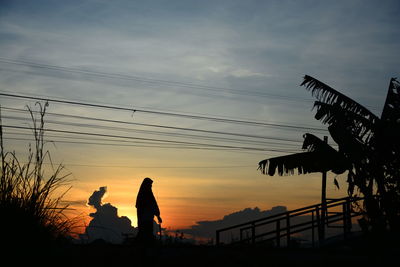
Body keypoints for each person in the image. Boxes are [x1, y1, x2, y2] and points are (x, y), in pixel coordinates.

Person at [135, 177, 162, 242]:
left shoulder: (144, 194)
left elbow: (153, 204)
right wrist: (158, 215)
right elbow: (153, 204)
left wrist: (158, 215)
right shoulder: (146, 194)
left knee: (145, 233)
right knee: (146, 233)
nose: (151, 186)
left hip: (146, 218)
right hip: (145, 219)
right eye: (150, 185)